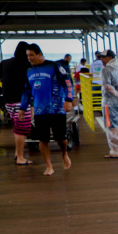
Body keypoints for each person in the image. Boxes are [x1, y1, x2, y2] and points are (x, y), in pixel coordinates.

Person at [18, 44, 74, 176]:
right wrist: (22, 107)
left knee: (61, 138)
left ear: (39, 54)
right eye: (27, 55)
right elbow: (26, 91)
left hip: (56, 109)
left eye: (31, 55)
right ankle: (49, 166)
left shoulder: (54, 66)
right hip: (39, 110)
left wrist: (68, 100)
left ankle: (64, 153)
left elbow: (67, 83)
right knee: (43, 139)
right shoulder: (29, 71)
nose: (29, 58)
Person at [0, 41, 33, 165]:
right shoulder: (27, 65)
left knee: (18, 127)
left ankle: (17, 154)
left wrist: (0, 91)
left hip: (8, 101)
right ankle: (20, 158)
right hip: (22, 102)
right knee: (22, 130)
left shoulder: (5, 63)